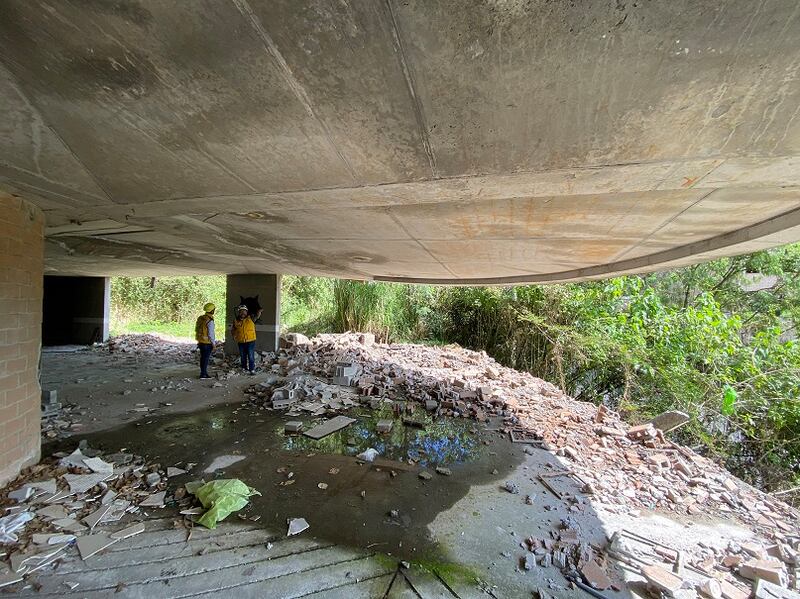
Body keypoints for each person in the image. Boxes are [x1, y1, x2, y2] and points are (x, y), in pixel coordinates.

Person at [231, 304, 257, 374]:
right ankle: (244, 368)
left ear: (246, 312)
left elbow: (257, 315)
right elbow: (233, 329)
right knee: (243, 356)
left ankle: (252, 369)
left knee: (251, 356)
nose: (243, 313)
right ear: (239, 312)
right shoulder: (236, 321)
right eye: (241, 311)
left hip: (251, 341)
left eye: (244, 311)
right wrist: (233, 335)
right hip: (241, 341)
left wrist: (259, 311)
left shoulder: (251, 318)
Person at [194, 302, 216, 379]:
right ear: (212, 310)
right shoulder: (210, 320)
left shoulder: (201, 318)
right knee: (205, 358)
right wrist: (213, 344)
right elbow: (211, 334)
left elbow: (197, 329)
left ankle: (203, 373)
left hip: (201, 342)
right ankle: (203, 374)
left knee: (203, 358)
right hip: (207, 343)